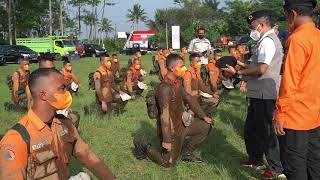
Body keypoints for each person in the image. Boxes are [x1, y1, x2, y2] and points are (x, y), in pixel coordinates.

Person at [0, 68, 115, 180]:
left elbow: (86, 154)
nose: (67, 93)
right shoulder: (17, 139)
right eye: (62, 88)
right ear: (43, 94)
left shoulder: (64, 124)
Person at [224, 10, 285, 179]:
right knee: (252, 129)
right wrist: (240, 65)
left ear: (261, 25)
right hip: (257, 93)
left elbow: (262, 69)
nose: (253, 30)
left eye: (253, 27)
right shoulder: (264, 41)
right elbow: (256, 65)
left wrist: (238, 75)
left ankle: (275, 168)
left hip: (265, 94)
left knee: (266, 131)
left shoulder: (268, 41)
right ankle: (255, 159)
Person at [133, 54, 212, 167]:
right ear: (171, 68)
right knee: (168, 163)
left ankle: (187, 152)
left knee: (205, 126)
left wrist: (203, 116)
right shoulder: (164, 88)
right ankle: (143, 145)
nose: (184, 69)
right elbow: (164, 117)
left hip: (181, 125)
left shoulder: (177, 83)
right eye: (181, 66)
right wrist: (166, 140)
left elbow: (189, 99)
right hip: (171, 131)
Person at [274, 1, 320, 179]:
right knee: (314, 162)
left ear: (292, 14)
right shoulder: (317, 35)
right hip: (315, 114)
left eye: (286, 16)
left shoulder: (297, 39)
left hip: (296, 116)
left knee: (295, 164)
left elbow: (290, 81)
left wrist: (280, 114)